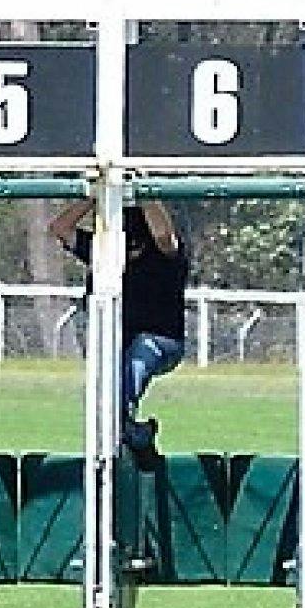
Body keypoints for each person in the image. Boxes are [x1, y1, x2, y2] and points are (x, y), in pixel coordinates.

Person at [49, 199, 188, 472]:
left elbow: (163, 235)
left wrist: (145, 195)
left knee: (142, 350)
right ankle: (131, 432)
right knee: (113, 370)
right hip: (117, 344)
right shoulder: (105, 254)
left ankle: (121, 420)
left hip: (162, 341)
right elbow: (61, 227)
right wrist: (94, 195)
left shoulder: (166, 254)